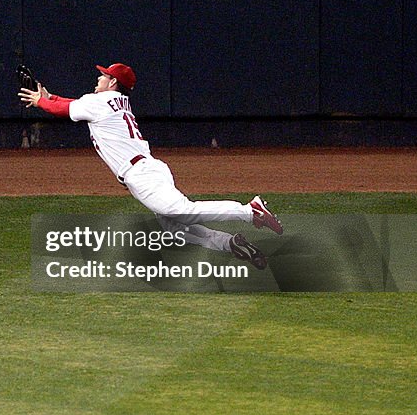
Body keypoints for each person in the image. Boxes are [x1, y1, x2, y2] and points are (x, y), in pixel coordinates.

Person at [18, 62, 282, 269]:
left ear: (112, 82)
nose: (98, 78)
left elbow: (62, 110)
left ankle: (250, 211)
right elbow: (72, 105)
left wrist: (41, 101)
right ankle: (230, 243)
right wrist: (49, 95)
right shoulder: (111, 102)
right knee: (174, 229)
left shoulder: (99, 101)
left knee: (183, 213)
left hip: (142, 173)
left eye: (103, 75)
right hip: (149, 169)